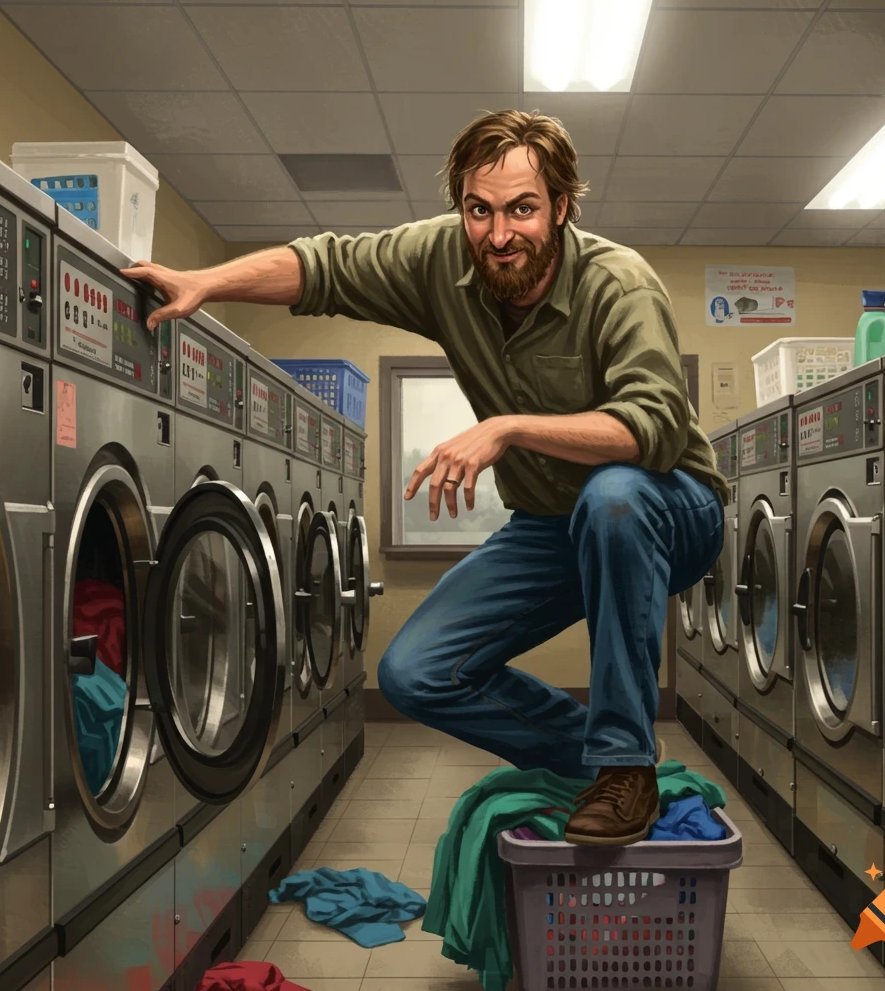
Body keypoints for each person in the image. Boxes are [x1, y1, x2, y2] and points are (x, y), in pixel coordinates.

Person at [123, 109, 728, 847]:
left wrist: (508, 427)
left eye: (523, 209)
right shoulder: (444, 261)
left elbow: (652, 429)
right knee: (416, 673)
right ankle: (601, 762)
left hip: (669, 507)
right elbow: (326, 267)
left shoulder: (618, 283)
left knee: (613, 496)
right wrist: (204, 283)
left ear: (563, 207)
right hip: (553, 524)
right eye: (480, 210)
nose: (499, 234)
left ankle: (625, 762)